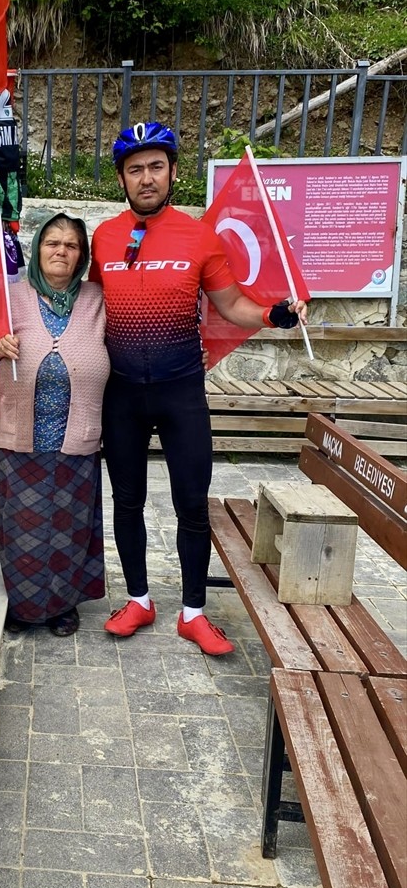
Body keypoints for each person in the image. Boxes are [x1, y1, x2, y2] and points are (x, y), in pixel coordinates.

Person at [89, 122, 307, 656]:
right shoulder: (104, 237)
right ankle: (139, 599)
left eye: (155, 166)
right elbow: (88, 309)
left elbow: (232, 306)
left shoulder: (199, 236)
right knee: (127, 502)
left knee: (191, 503)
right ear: (121, 177)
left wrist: (275, 314)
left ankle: (193, 613)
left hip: (181, 390)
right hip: (121, 394)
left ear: (173, 173)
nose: (146, 177)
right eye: (135, 168)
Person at [0, 211, 111, 637]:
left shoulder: (98, 298)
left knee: (69, 526)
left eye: (72, 245)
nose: (61, 251)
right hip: (20, 434)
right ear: (38, 248)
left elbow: (132, 342)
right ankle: (23, 607)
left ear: (81, 257)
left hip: (76, 434)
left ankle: (62, 606)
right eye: (52, 243)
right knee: (23, 525)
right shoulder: (11, 296)